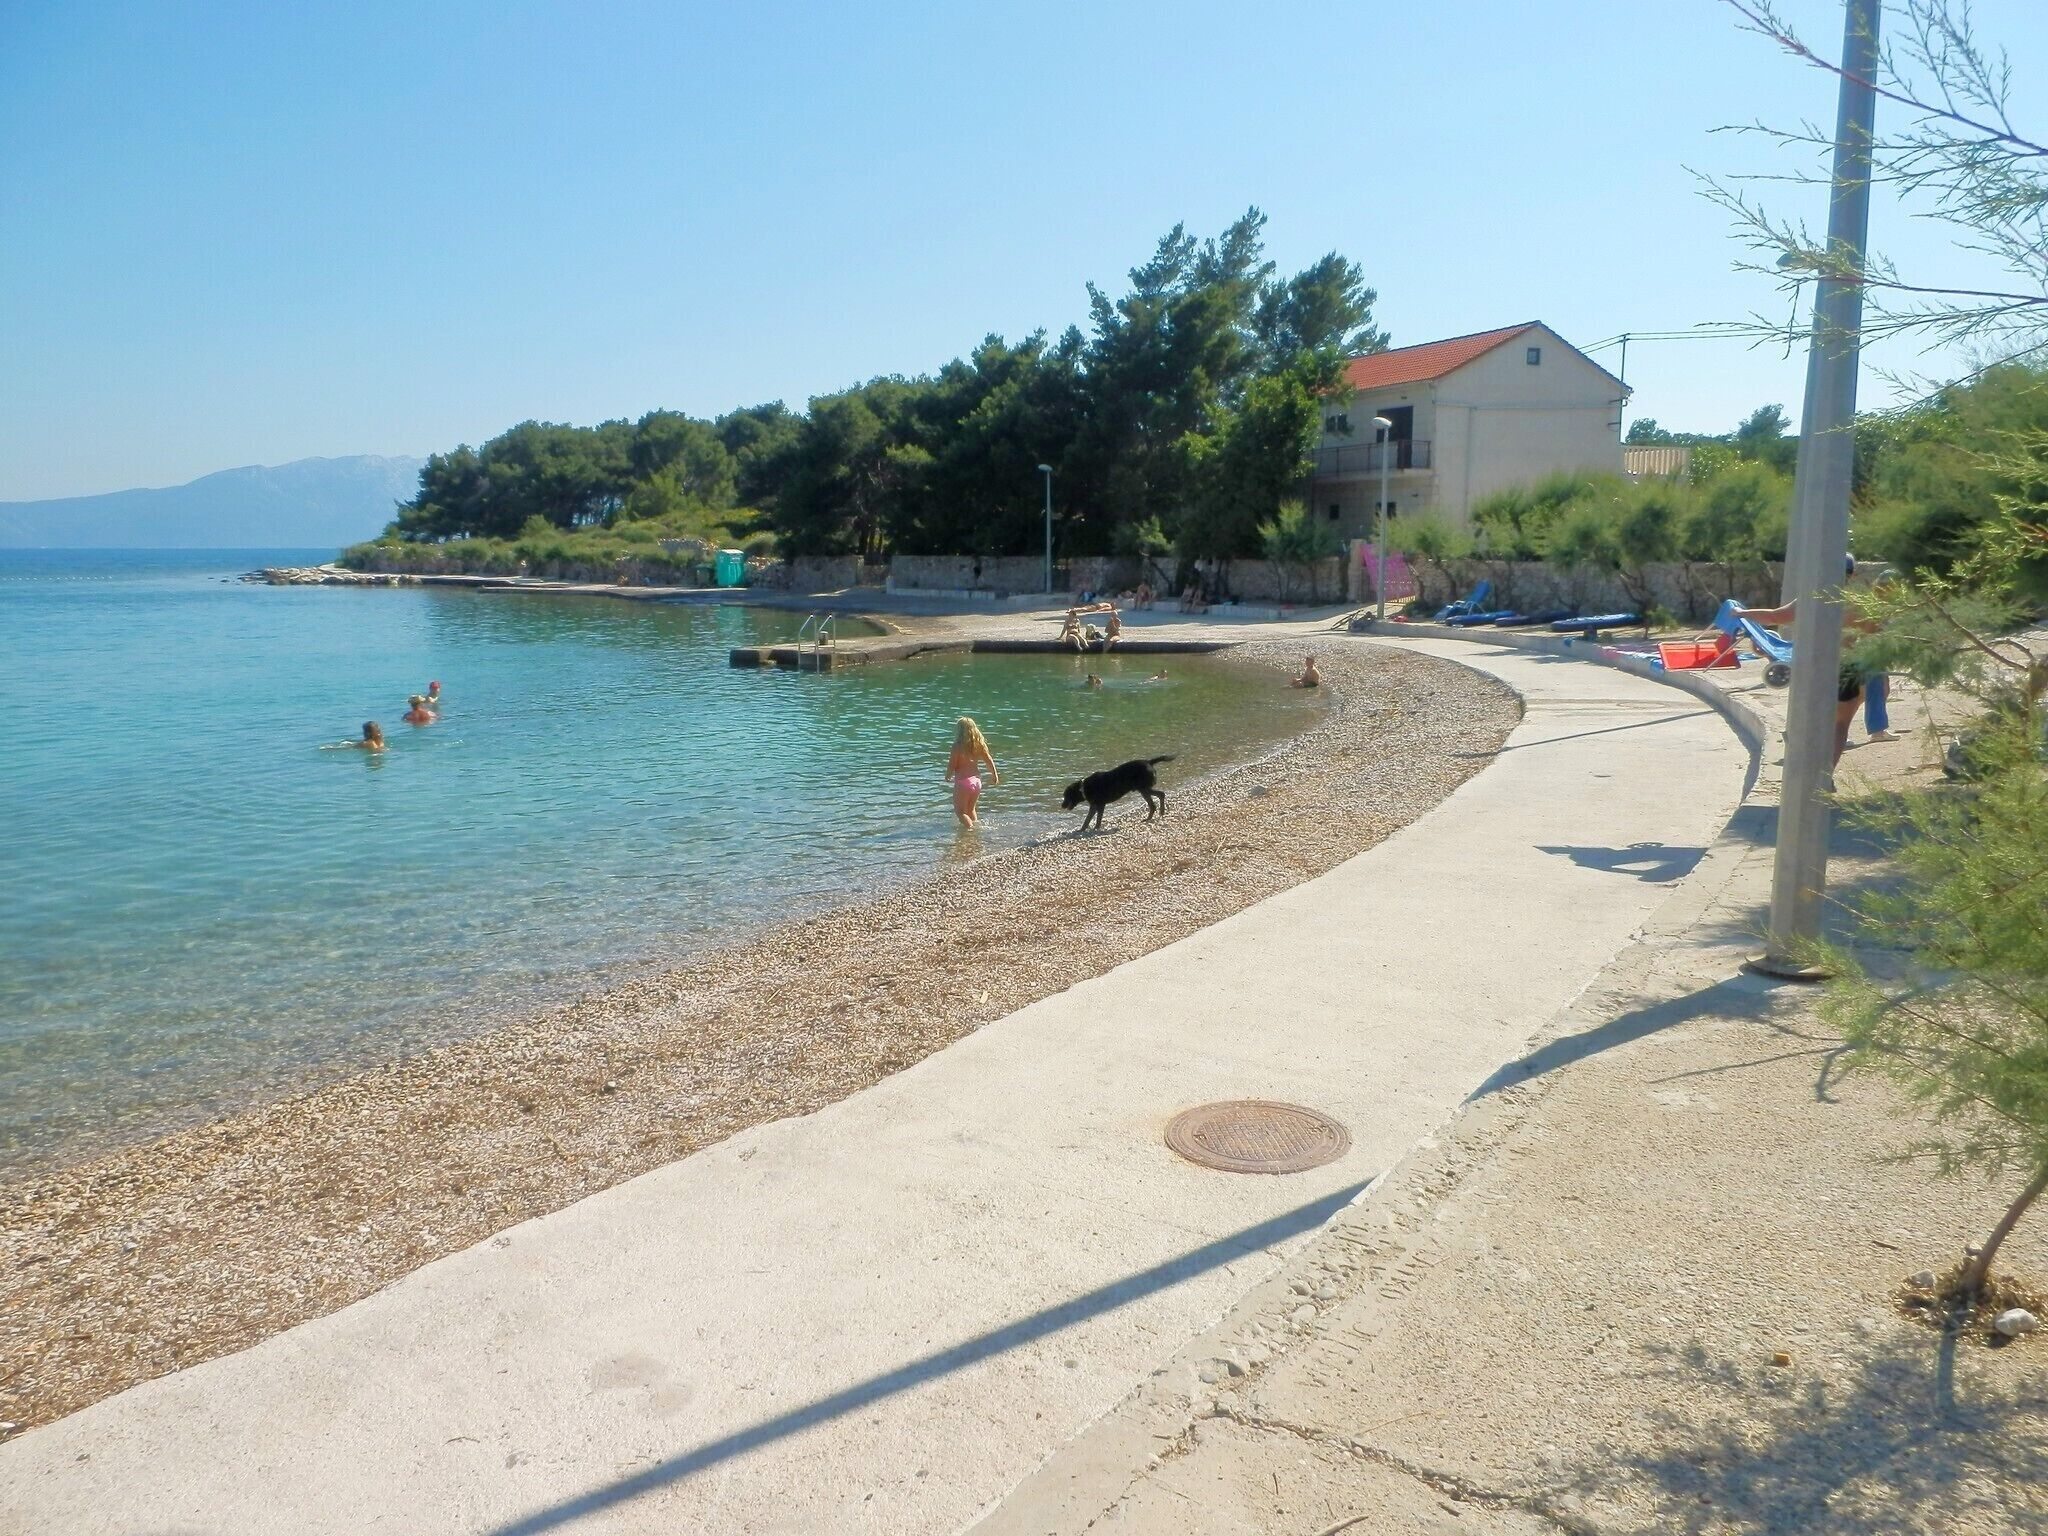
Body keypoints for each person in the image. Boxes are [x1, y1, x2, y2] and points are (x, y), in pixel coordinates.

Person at [945, 716, 999, 827]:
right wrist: (994, 775)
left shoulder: (957, 747)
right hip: (977, 782)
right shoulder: (979, 744)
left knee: (960, 812)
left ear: (959, 731)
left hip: (963, 783)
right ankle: (976, 829)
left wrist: (948, 775)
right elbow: (988, 760)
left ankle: (970, 831)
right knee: (971, 810)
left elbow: (952, 765)